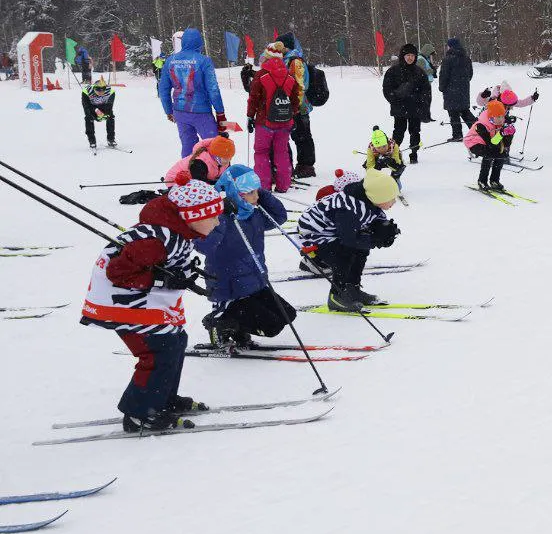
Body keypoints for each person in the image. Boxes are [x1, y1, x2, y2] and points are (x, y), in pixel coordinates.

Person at [80, 173, 220, 432]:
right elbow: (118, 273)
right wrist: (161, 280)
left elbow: (172, 264)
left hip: (142, 301)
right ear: (193, 217)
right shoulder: (156, 241)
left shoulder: (178, 232)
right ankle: (140, 413)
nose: (217, 221)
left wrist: (182, 273)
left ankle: (161, 399)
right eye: (212, 216)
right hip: (121, 303)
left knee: (176, 341)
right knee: (158, 351)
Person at [199, 165, 296, 348]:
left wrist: (261, 193)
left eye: (256, 191)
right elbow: (204, 245)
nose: (256, 197)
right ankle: (219, 322)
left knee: (287, 314)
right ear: (235, 193)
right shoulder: (221, 217)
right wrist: (219, 213)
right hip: (228, 286)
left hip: (254, 281)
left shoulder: (253, 214)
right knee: (271, 326)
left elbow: (279, 217)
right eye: (250, 192)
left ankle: (237, 328)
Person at [297, 168, 401, 311]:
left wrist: (383, 230)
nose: (394, 202)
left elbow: (374, 220)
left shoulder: (369, 200)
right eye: (391, 198)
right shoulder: (348, 209)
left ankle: (352, 289)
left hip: (337, 231)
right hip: (315, 235)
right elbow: (350, 239)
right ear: (378, 197)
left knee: (361, 249)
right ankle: (337, 296)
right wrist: (374, 240)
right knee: (344, 255)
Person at [159, 28, 228, 157]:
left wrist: (168, 110)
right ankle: (220, 175)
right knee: (214, 146)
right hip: (201, 112)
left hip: (180, 111)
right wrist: (220, 112)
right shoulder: (203, 61)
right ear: (199, 43)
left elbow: (163, 89)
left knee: (188, 147)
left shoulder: (170, 61)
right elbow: (213, 89)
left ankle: (187, 173)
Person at [246, 50, 301, 193]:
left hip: (264, 123)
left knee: (261, 153)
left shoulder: (261, 75)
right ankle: (283, 185)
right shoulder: (289, 76)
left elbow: (253, 98)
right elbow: (295, 100)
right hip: (284, 122)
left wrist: (250, 116)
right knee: (281, 152)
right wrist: (292, 114)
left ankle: (264, 187)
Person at [278, 32, 317, 178]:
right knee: (292, 136)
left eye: (279, 45)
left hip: (299, 106)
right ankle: (292, 165)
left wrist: (294, 106)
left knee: (302, 136)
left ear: (285, 46)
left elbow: (300, 86)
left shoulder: (294, 61)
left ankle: (306, 166)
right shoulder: (285, 60)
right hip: (288, 106)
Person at [382, 43, 429, 162]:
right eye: (408, 55)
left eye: (412, 55)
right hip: (400, 108)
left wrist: (424, 105)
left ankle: (414, 153)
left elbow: (426, 91)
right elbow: (387, 89)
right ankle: (394, 153)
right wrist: (395, 97)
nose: (410, 58)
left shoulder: (420, 72)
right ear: (403, 56)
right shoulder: (393, 71)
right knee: (398, 131)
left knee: (415, 132)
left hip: (415, 108)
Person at [464, 100, 511, 191]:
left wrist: (509, 134)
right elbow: (491, 144)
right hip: (474, 143)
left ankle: (494, 181)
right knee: (489, 155)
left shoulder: (500, 122)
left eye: (503, 116)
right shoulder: (481, 125)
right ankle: (482, 181)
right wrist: (501, 133)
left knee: (501, 155)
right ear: (492, 116)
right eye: (498, 117)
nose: (501, 119)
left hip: (489, 142)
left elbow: (506, 144)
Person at [437, 37, 475, 141]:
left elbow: (443, 75)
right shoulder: (466, 58)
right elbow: (470, 75)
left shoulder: (447, 59)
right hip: (463, 90)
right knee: (464, 111)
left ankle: (457, 135)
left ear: (450, 46)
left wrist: (442, 87)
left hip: (451, 91)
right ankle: (478, 130)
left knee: (453, 113)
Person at [82, 77, 117, 150]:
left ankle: (111, 139)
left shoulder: (110, 91)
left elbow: (110, 105)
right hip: (92, 107)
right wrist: (96, 110)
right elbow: (86, 107)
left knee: (110, 117)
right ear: (94, 89)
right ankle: (92, 141)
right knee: (88, 117)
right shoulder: (86, 91)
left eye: (103, 91)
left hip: (104, 106)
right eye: (98, 91)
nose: (101, 93)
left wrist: (105, 114)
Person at [416, 44, 438, 122]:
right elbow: (422, 71)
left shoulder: (425, 58)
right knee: (424, 100)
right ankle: (423, 117)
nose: (431, 55)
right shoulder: (420, 59)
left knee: (428, 100)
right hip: (423, 83)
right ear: (427, 51)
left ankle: (427, 116)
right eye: (430, 53)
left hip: (427, 83)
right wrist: (433, 70)